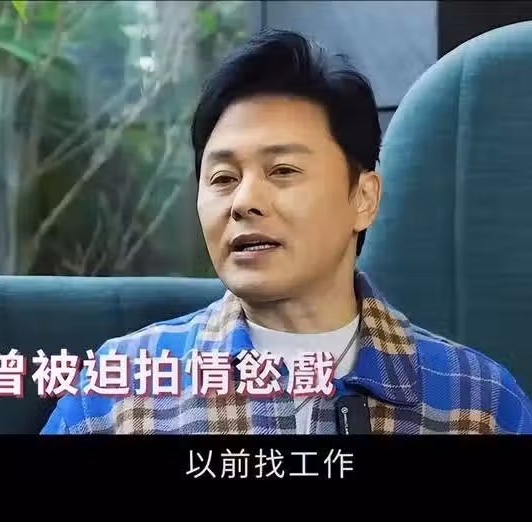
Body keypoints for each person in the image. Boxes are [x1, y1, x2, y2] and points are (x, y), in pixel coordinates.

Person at [41, 29, 532, 435]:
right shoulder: (118, 393)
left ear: (364, 198)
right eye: (223, 178)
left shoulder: (479, 404)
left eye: (282, 171)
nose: (244, 202)